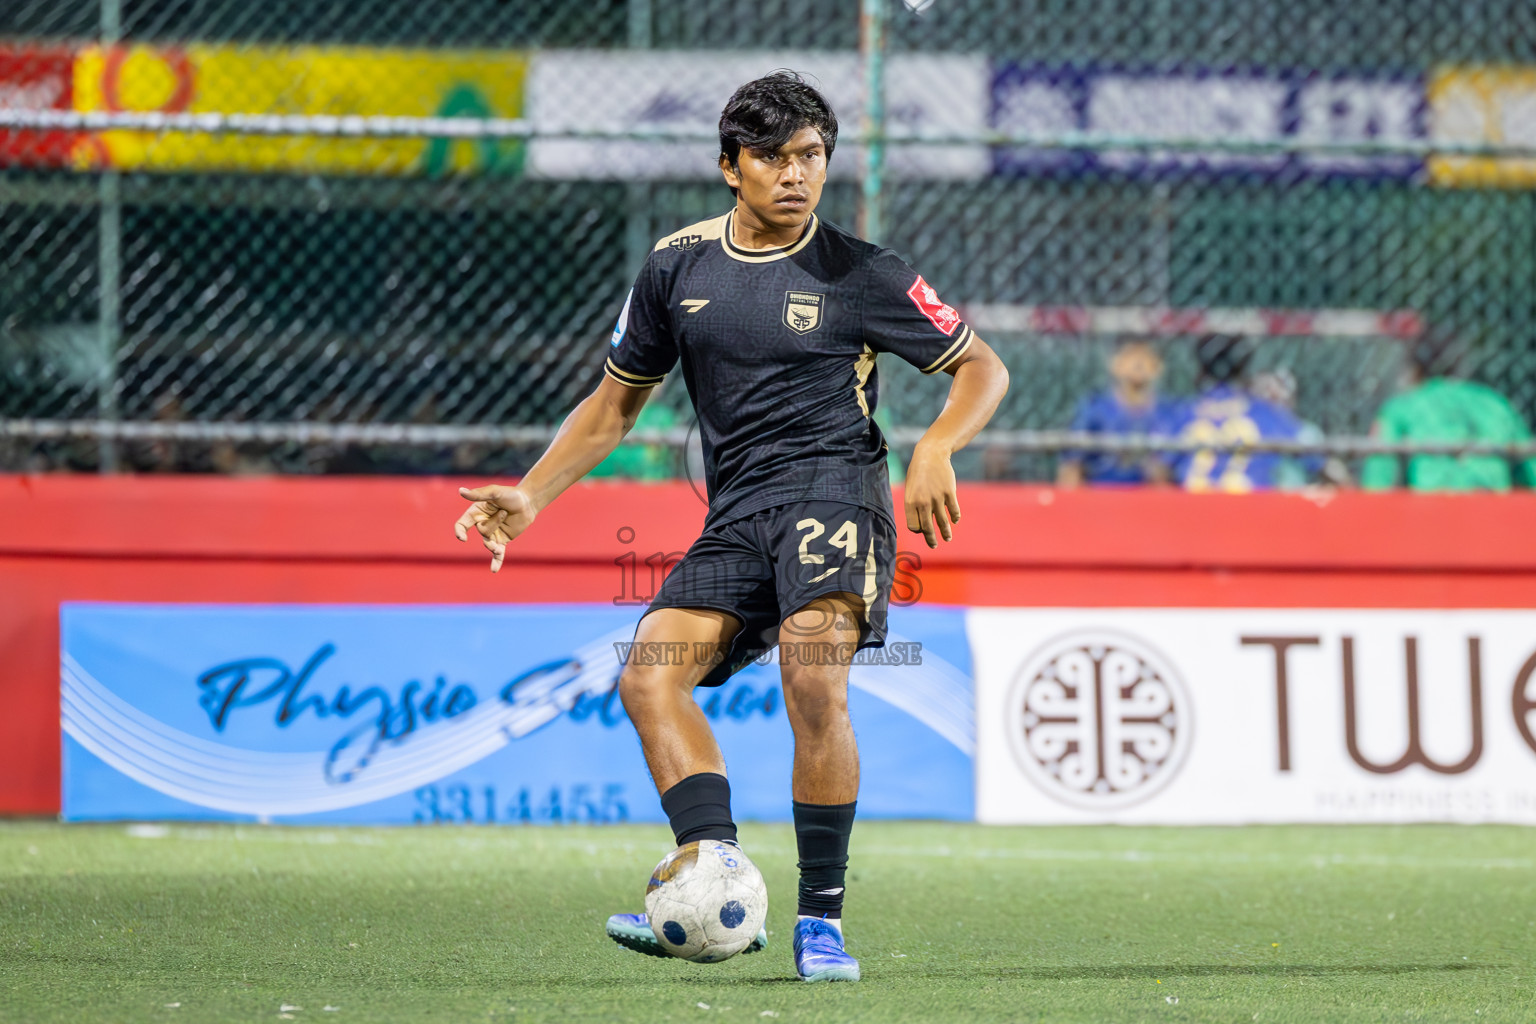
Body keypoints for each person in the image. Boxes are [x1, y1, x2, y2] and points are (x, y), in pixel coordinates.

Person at [452, 71, 1008, 983]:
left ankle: (820, 923)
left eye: (813, 156)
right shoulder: (677, 266)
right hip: (738, 512)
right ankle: (716, 873)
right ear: (729, 166)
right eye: (775, 157)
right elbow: (612, 407)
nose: (797, 175)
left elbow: (981, 366)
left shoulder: (864, 273)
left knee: (813, 669)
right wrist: (531, 493)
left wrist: (939, 445)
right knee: (649, 675)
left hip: (838, 492)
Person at [1360, 329, 1536, 492]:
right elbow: (1531, 472)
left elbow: (1377, 483)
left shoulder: (1401, 406)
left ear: (1416, 368)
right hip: (1491, 508)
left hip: (1430, 510)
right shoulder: (1496, 403)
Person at [1172, 334, 1315, 492]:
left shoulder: (1184, 412)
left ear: (1201, 370)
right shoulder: (1262, 411)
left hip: (1192, 508)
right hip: (1250, 508)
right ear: (1243, 370)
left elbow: (1158, 468)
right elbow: (1316, 457)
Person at [1056, 336, 1179, 487]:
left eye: (1145, 356)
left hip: (1149, 498)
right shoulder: (1095, 409)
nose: (1138, 363)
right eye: (1130, 355)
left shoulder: (1170, 412)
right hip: (1102, 495)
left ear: (1158, 367)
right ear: (1115, 365)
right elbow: (1072, 465)